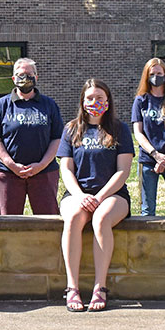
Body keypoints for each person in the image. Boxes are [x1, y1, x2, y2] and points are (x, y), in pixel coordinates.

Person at [58, 79, 133, 312]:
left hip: (112, 195)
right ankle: (72, 289)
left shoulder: (119, 129)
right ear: (82, 101)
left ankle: (99, 288)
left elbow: (123, 170)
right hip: (77, 193)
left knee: (101, 219)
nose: (94, 102)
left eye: (99, 98)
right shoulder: (71, 129)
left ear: (108, 101)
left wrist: (99, 197)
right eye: (90, 98)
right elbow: (66, 169)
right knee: (72, 219)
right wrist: (80, 195)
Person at [0, 58, 63, 215]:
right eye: (21, 75)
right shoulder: (2, 105)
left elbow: (57, 138)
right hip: (8, 173)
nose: (25, 78)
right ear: (13, 79)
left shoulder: (49, 104)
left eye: (29, 74)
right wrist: (12, 165)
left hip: (44, 172)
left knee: (48, 220)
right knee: (9, 222)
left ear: (36, 76)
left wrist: (41, 165)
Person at [130, 58, 165, 217]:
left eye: (159, 73)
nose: (156, 76)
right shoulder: (140, 100)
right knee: (147, 211)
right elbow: (138, 133)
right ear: (147, 76)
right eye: (152, 74)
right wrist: (155, 155)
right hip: (148, 161)